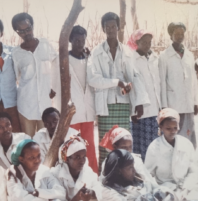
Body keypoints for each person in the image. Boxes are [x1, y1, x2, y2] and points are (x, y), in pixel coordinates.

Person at [87, 12, 150, 171]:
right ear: (103, 29)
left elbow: (134, 76)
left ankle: (124, 175)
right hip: (105, 106)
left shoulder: (127, 52)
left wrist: (138, 103)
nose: (110, 30)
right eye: (107, 27)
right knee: (105, 145)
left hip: (123, 105)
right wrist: (117, 82)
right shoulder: (97, 52)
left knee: (123, 143)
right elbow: (93, 79)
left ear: (118, 28)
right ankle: (105, 178)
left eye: (113, 26)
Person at [52, 25, 98, 173]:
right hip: (71, 111)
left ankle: (93, 175)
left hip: (87, 111)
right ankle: (72, 175)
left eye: (82, 40)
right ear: (70, 40)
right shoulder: (63, 59)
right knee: (72, 146)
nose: (80, 43)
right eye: (76, 40)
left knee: (89, 145)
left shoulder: (88, 59)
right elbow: (54, 85)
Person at [11, 12, 56, 137]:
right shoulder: (16, 53)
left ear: (33, 26)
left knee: (46, 141)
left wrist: (53, 87)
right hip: (26, 105)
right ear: (17, 32)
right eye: (21, 31)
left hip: (45, 104)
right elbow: (15, 77)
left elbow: (57, 65)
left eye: (28, 28)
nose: (26, 33)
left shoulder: (45, 45)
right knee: (27, 144)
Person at [145, 108, 198, 200]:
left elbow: (193, 171)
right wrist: (158, 189)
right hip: (164, 190)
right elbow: (148, 175)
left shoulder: (186, 144)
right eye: (168, 128)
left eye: (175, 128)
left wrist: (186, 188)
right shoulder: (154, 147)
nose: (172, 131)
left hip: (186, 188)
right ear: (161, 127)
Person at [158, 22, 198, 148]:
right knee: (174, 135)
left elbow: (193, 80)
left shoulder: (189, 55)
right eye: (177, 34)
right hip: (173, 103)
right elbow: (162, 82)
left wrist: (196, 102)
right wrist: (164, 106)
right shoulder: (164, 56)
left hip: (188, 103)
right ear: (171, 35)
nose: (180, 36)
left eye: (182, 34)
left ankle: (188, 162)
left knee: (189, 134)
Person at [127, 29, 161, 161]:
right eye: (144, 42)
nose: (147, 45)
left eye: (149, 42)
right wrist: (136, 106)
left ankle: (152, 171)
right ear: (136, 42)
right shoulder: (132, 59)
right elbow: (133, 83)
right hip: (140, 111)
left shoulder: (154, 58)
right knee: (141, 145)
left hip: (154, 108)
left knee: (154, 144)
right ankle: (142, 173)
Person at [101, 149, 174, 201]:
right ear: (119, 171)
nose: (134, 170)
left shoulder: (136, 179)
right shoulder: (108, 192)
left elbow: (153, 187)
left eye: (133, 166)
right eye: (130, 168)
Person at [50, 135, 102, 201]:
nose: (82, 161)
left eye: (84, 157)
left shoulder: (87, 171)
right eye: (77, 157)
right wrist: (77, 198)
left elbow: (98, 188)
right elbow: (56, 198)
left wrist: (91, 193)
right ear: (67, 159)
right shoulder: (57, 174)